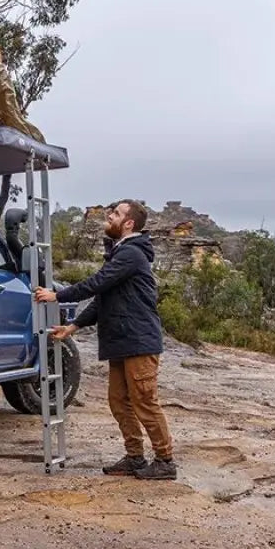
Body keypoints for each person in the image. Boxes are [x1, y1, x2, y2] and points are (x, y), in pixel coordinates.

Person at [35, 199, 176, 480]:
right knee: (119, 401)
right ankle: (135, 456)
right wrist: (73, 327)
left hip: (138, 341)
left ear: (129, 223)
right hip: (121, 342)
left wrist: (57, 295)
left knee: (145, 401)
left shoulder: (131, 254)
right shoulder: (120, 253)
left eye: (115, 214)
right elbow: (103, 299)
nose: (109, 217)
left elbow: (97, 283)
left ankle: (165, 460)